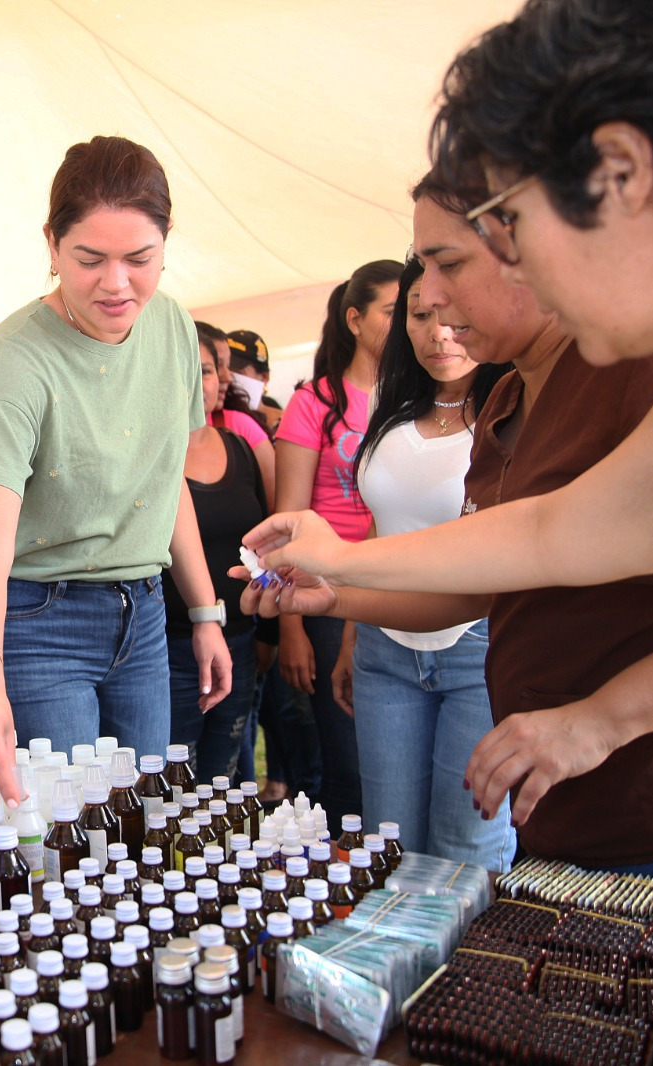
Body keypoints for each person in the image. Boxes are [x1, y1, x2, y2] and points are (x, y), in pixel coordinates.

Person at [318, 0, 653, 902]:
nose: (515, 268)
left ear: (623, 172)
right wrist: (342, 560)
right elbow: (553, 530)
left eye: (508, 221)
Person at [238, 172, 653, 933]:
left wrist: (600, 721)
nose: (431, 297)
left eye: (450, 264)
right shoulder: (512, 399)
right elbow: (542, 540)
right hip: (571, 822)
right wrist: (337, 580)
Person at [0, 136, 231, 805]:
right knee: (69, 830)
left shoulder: (175, 327)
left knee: (140, 821)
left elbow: (164, 483)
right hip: (43, 621)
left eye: (140, 259)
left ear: (167, 243)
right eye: (89, 259)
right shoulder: (15, 355)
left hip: (147, 614)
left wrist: (205, 610)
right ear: (51, 244)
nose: (116, 283)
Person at [338, 256, 513, 867]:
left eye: (454, 315)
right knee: (391, 848)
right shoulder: (393, 406)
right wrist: (351, 636)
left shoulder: (512, 412)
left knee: (467, 849)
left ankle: (474, 968)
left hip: (478, 652)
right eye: (419, 315)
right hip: (384, 652)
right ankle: (405, 965)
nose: (439, 332)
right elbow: (381, 530)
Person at [273, 259, 402, 824]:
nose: (407, 325)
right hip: (326, 596)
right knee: (347, 766)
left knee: (394, 760)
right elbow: (288, 520)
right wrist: (290, 626)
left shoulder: (423, 396)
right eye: (394, 312)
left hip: (405, 585)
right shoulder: (314, 404)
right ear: (354, 318)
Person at [166, 338, 269, 780]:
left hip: (241, 639)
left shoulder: (241, 448)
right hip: (170, 646)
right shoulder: (148, 453)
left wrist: (275, 634)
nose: (197, 382)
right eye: (184, 370)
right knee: (175, 783)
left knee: (226, 776)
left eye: (206, 371)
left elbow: (269, 544)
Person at [195, 320, 275, 509]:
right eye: (207, 368)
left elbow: (274, 508)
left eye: (210, 370)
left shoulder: (241, 427)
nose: (227, 377)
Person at [226, 329, 283, 433]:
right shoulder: (212, 423)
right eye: (222, 369)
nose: (228, 377)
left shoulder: (285, 423)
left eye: (237, 371)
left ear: (264, 377)